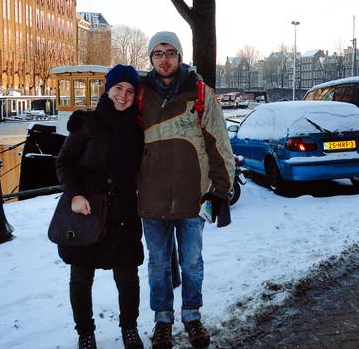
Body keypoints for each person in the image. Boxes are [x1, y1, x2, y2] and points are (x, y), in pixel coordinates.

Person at [137, 31, 235, 349]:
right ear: (151, 59)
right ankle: (162, 321)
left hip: (193, 196)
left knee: (192, 263)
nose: (164, 59)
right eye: (158, 53)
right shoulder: (139, 94)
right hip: (151, 198)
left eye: (170, 52)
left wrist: (221, 189)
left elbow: (219, 143)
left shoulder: (200, 92)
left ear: (179, 57)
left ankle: (192, 316)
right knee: (158, 264)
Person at [55, 65, 145, 349]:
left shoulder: (139, 127)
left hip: (124, 212)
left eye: (130, 91)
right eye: (118, 88)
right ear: (107, 89)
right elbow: (64, 161)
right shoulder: (88, 123)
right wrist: (75, 195)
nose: (123, 95)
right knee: (81, 277)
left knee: (128, 277)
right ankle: (85, 332)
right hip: (89, 211)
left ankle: (129, 328)